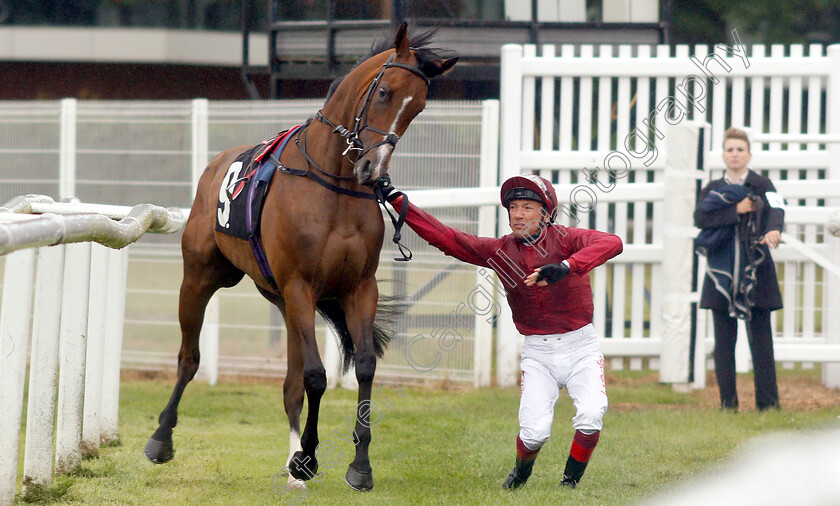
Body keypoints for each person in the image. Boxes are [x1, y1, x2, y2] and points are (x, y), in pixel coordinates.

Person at [377, 173, 623, 489]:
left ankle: (569, 484)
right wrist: (398, 200)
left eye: (528, 207)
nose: (518, 214)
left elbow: (612, 242)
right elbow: (447, 238)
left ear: (546, 213)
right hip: (538, 352)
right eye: (514, 207)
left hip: (581, 347)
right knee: (534, 433)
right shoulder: (499, 250)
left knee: (592, 414)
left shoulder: (565, 238)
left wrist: (566, 267)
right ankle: (521, 473)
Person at [694, 127, 785, 412]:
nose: (735, 154)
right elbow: (701, 218)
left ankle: (768, 406)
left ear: (749, 154)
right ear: (723, 155)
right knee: (724, 343)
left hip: (756, 270)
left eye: (740, 149)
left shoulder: (762, 183)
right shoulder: (712, 188)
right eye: (730, 149)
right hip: (722, 272)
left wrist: (773, 230)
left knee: (761, 341)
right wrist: (737, 211)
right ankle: (728, 405)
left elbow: (776, 210)